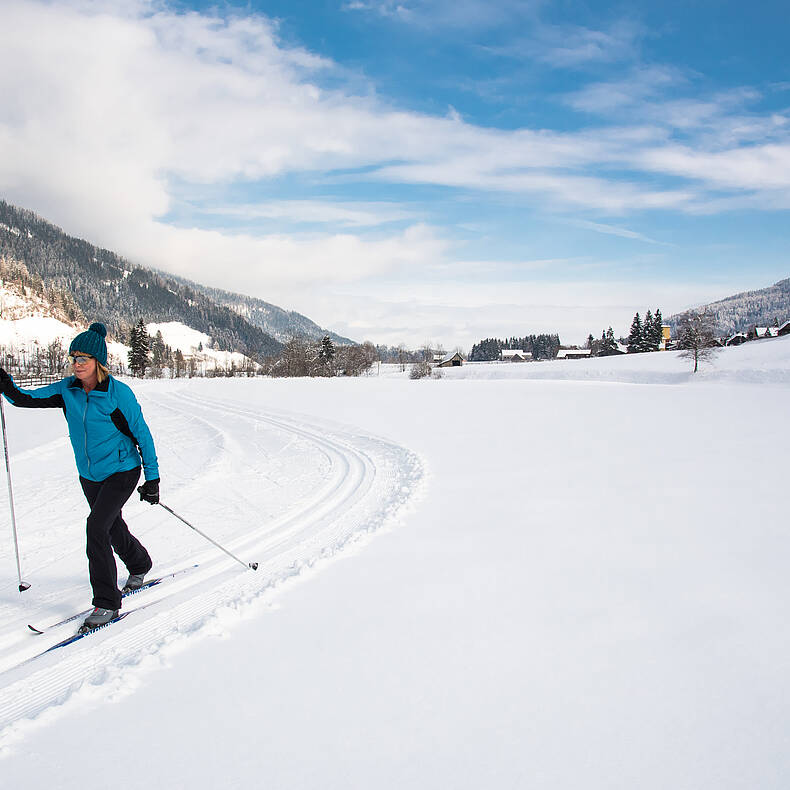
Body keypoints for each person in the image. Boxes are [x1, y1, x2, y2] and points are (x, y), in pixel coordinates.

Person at [0, 322, 160, 631]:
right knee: (111, 527)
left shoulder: (118, 394)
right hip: (90, 474)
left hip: (123, 469)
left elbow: (143, 435)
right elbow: (24, 399)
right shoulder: (67, 390)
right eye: (74, 357)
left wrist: (152, 479)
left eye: (83, 358)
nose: (77, 364)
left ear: (98, 362)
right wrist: (5, 382)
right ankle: (140, 564)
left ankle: (107, 602)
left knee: (96, 527)